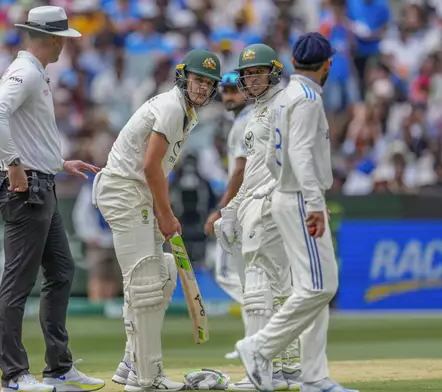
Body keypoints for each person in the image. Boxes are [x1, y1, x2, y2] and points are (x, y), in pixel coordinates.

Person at [0, 6, 105, 392]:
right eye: (62, 40)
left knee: (62, 271)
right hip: (26, 189)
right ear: (52, 39)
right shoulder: (27, 73)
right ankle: (15, 376)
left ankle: (58, 368)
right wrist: (14, 164)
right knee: (18, 282)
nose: (63, 48)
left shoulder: (34, 73)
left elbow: (21, 125)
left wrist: (56, 162)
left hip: (40, 181)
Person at [234, 33, 358, 392]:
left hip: (289, 195)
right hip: (301, 198)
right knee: (322, 286)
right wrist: (314, 203)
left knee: (311, 288)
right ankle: (259, 348)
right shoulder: (305, 99)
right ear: (327, 64)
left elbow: (278, 158)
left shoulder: (288, 96)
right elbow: (301, 154)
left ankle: (314, 377)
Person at [92, 49, 222, 391]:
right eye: (197, 80)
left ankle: (132, 363)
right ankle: (148, 377)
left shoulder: (185, 113)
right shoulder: (171, 106)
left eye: (208, 83)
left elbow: (154, 169)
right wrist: (166, 214)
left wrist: (163, 212)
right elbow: (150, 166)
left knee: (161, 273)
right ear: (184, 78)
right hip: (125, 191)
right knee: (146, 283)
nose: (202, 87)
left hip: (137, 193)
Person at [217, 44, 300, 391]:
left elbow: (290, 161)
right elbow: (251, 169)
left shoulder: (282, 105)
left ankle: (260, 372)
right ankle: (286, 369)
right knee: (280, 290)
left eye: (257, 72)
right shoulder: (259, 110)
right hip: (258, 205)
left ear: (273, 72)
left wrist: (261, 200)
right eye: (246, 74)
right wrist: (233, 209)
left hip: (269, 206)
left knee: (257, 286)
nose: (251, 79)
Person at [203, 71, 251, 360]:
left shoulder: (243, 124)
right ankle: (257, 340)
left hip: (243, 209)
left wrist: (221, 209)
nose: (229, 96)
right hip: (250, 206)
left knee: (228, 272)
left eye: (235, 90)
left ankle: (259, 339)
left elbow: (240, 171)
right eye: (225, 90)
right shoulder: (245, 122)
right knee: (252, 280)